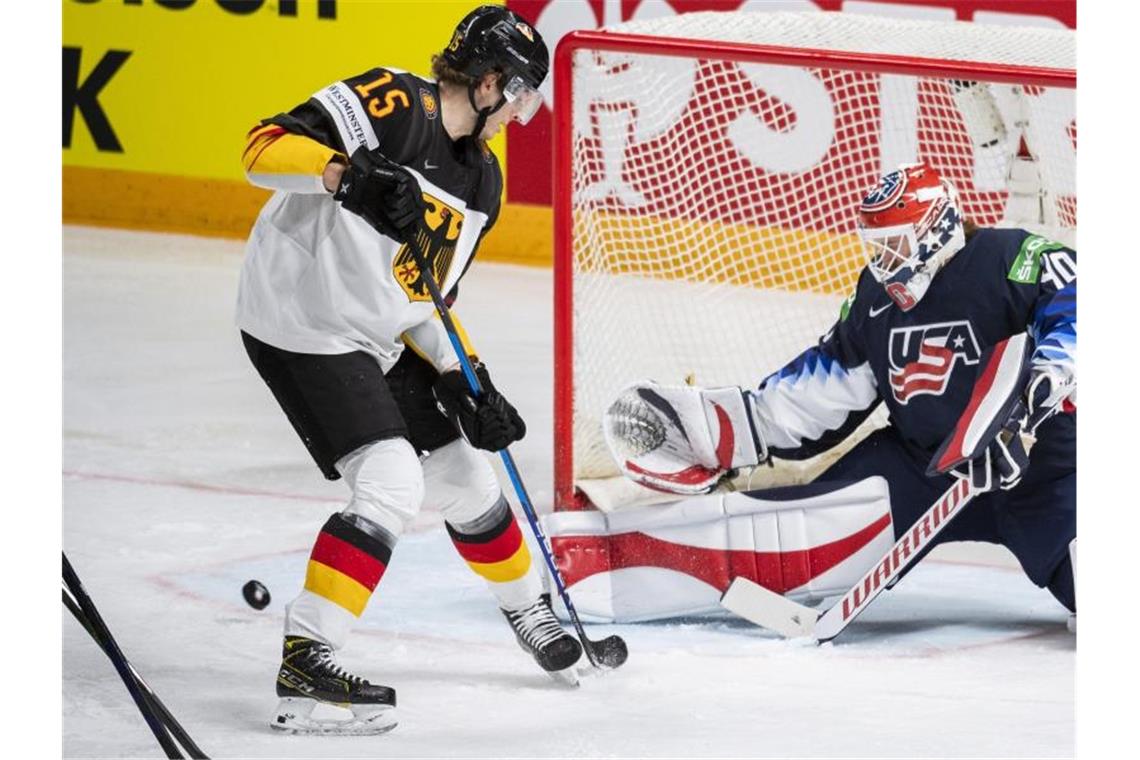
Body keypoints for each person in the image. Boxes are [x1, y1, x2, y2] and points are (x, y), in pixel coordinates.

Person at [236, 6, 580, 735]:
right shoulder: (392, 104)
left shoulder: (482, 184)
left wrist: (469, 381)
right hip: (301, 321)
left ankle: (529, 611)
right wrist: (344, 177)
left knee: (467, 476)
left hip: (376, 334)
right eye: (519, 98)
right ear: (490, 83)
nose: (520, 117)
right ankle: (308, 663)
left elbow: (425, 297)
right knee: (393, 481)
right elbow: (260, 147)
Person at [560, 161, 1076, 628]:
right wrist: (738, 428)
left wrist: (1040, 390)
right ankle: (594, 565)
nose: (883, 262)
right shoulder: (877, 299)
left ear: (935, 231)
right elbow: (833, 379)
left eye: (893, 246)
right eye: (875, 248)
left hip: (1046, 471)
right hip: (924, 468)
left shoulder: (1011, 257)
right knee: (794, 535)